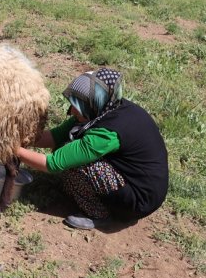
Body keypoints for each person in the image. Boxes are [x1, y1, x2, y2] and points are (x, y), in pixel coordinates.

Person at [15, 68, 168, 230]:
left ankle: (98, 214)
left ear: (92, 104)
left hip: (138, 200)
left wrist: (12, 149)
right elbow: (56, 136)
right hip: (130, 178)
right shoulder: (103, 109)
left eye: (77, 106)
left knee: (76, 164)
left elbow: (52, 164)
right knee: (67, 146)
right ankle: (90, 194)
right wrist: (18, 137)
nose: (72, 111)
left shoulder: (107, 133)